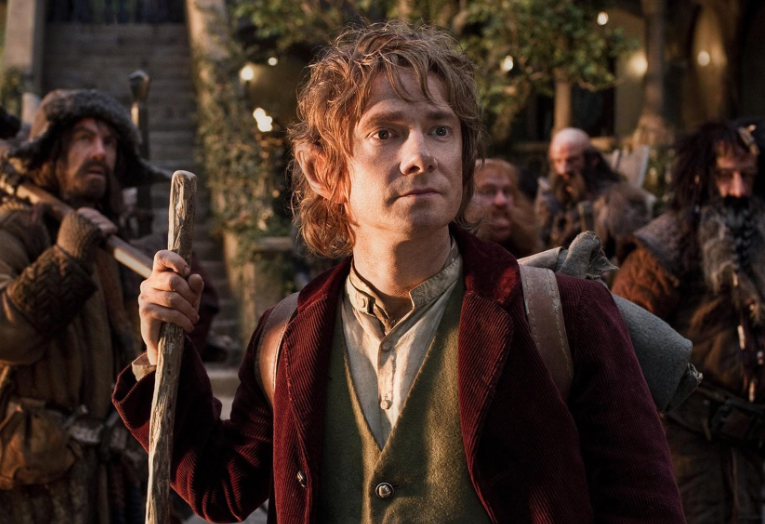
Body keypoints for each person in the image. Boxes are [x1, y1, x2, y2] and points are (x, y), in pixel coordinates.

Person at [114, 22, 684, 523]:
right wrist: (162, 357)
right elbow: (222, 488)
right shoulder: (286, 336)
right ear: (322, 169)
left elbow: (644, 508)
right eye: (385, 132)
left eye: (440, 129)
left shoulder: (562, 316)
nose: (420, 156)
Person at [0, 89, 213, 524]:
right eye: (84, 138)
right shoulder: (13, 230)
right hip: (34, 488)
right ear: (52, 151)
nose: (99, 152)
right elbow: (6, 335)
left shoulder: (113, 246)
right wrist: (67, 257)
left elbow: (133, 361)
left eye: (109, 142)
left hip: (111, 481)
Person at [613, 121, 765, 524]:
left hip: (751, 450)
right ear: (700, 177)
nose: (738, 190)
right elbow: (620, 345)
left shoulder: (760, 237)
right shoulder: (667, 244)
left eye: (748, 175)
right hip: (683, 443)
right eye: (725, 176)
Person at [536, 127, 650, 262]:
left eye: (572, 160)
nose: (563, 169)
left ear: (592, 159)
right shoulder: (548, 198)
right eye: (557, 161)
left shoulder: (616, 200)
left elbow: (630, 255)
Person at [466, 158, 539, 257]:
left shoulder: (530, 253)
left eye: (506, 192)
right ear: (463, 200)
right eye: (489, 192)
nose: (502, 201)